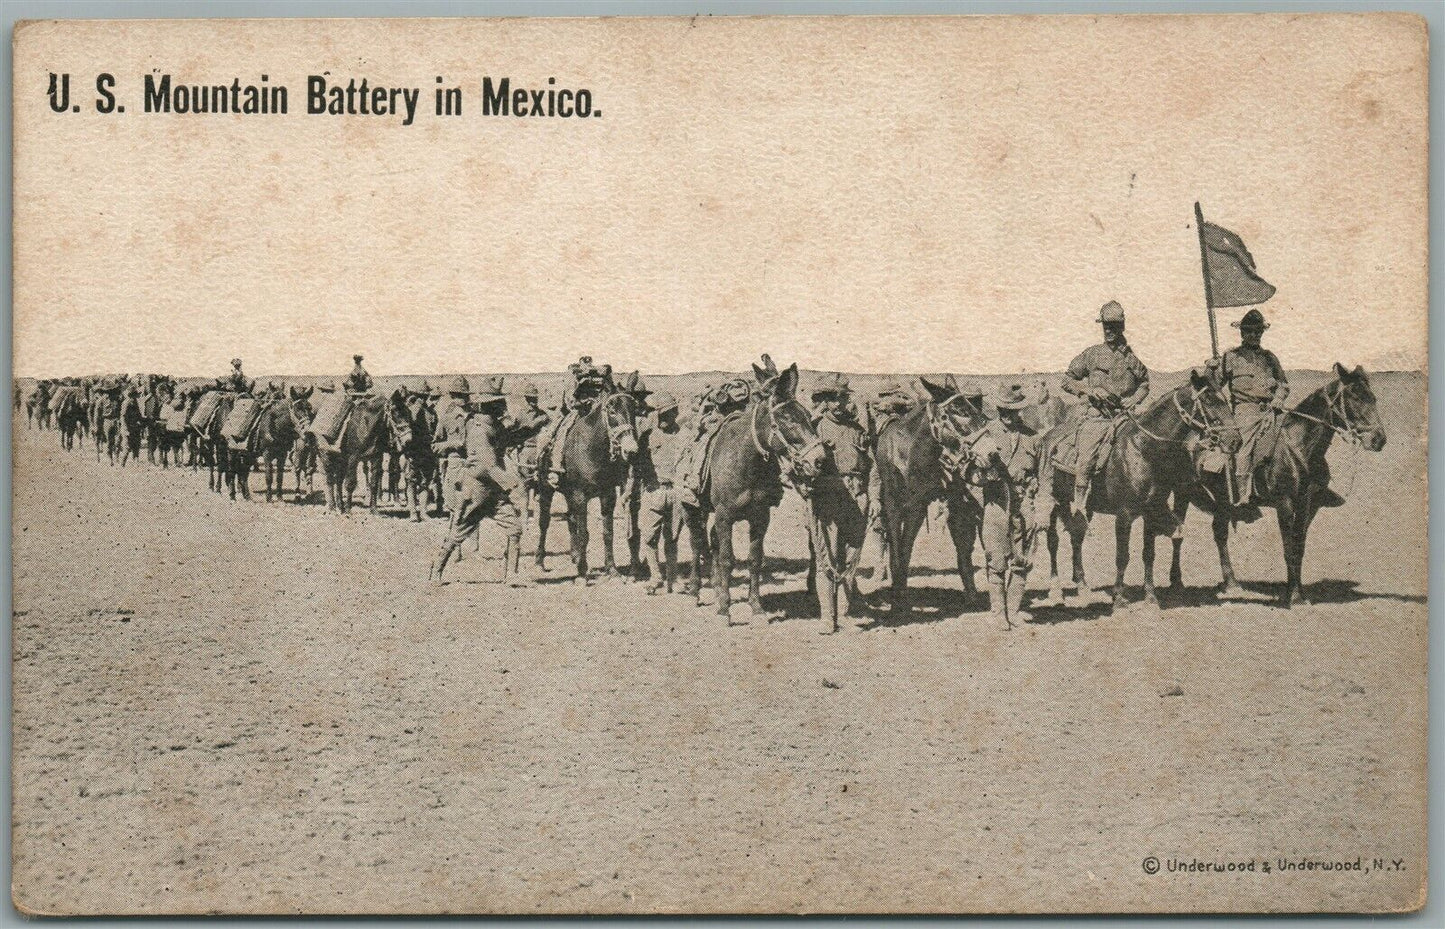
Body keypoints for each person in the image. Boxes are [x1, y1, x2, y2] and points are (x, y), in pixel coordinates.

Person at [429, 376, 526, 586]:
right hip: (476, 490)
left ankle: (511, 575)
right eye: (499, 402)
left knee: (514, 528)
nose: (503, 406)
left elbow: (509, 440)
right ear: (491, 405)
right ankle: (436, 571)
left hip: (493, 490)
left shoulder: (494, 425)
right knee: (458, 533)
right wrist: (511, 484)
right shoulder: (479, 428)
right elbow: (487, 465)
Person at [1060, 301, 1149, 518]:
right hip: (1097, 417)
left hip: (1124, 417)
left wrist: (1134, 399)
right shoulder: (1092, 354)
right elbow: (1067, 380)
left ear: (1122, 327)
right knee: (1087, 457)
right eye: (1106, 326)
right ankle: (1080, 505)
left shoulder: (1131, 359)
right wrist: (1089, 390)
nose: (1109, 330)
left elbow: (1144, 383)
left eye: (1114, 326)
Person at [1218, 308, 1297, 514]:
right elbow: (1214, 385)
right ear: (1242, 333)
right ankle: (1243, 496)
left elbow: (1283, 384)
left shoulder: (1270, 358)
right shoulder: (1230, 357)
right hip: (1245, 412)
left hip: (1272, 410)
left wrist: (1278, 398)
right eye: (1249, 331)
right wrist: (1211, 368)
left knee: (1294, 437)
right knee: (1244, 448)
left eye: (1258, 331)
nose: (1254, 335)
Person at [980, 383, 1040, 629]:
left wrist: (1036, 494)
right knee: (996, 557)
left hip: (1024, 501)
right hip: (997, 501)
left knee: (1022, 558)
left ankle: (1013, 612)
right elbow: (968, 471)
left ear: (1019, 411)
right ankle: (998, 614)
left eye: (1011, 410)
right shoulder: (986, 434)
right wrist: (983, 477)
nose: (1006, 414)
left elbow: (1041, 473)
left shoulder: (1032, 437)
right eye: (1002, 409)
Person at [633, 393, 688, 593]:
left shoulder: (684, 436)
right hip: (653, 491)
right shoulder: (647, 437)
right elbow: (636, 466)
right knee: (649, 536)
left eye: (668, 414)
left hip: (676, 492)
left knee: (672, 538)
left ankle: (672, 578)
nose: (664, 418)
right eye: (661, 414)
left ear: (675, 413)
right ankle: (655, 576)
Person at [538, 356, 614, 486]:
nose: (588, 366)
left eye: (589, 363)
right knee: (560, 433)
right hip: (576, 412)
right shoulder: (573, 377)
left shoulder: (597, 379)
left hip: (595, 412)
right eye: (585, 363)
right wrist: (584, 402)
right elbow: (570, 401)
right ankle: (555, 467)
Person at [680, 377, 752, 506]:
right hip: (718, 425)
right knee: (703, 445)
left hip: (739, 423)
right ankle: (693, 483)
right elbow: (700, 421)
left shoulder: (742, 398)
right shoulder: (711, 404)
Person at [811, 373, 871, 523]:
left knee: (856, 537)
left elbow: (872, 466)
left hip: (857, 496)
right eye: (833, 399)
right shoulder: (816, 429)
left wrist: (874, 498)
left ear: (847, 400)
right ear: (825, 401)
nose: (838, 403)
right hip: (827, 498)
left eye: (842, 398)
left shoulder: (857, 430)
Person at [431, 375, 473, 514]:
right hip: (455, 463)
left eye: (464, 395)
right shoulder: (446, 418)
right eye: (457, 395)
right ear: (452, 396)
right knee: (453, 505)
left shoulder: (476, 417)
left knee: (472, 507)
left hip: (473, 463)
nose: (461, 399)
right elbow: (435, 445)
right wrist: (451, 444)